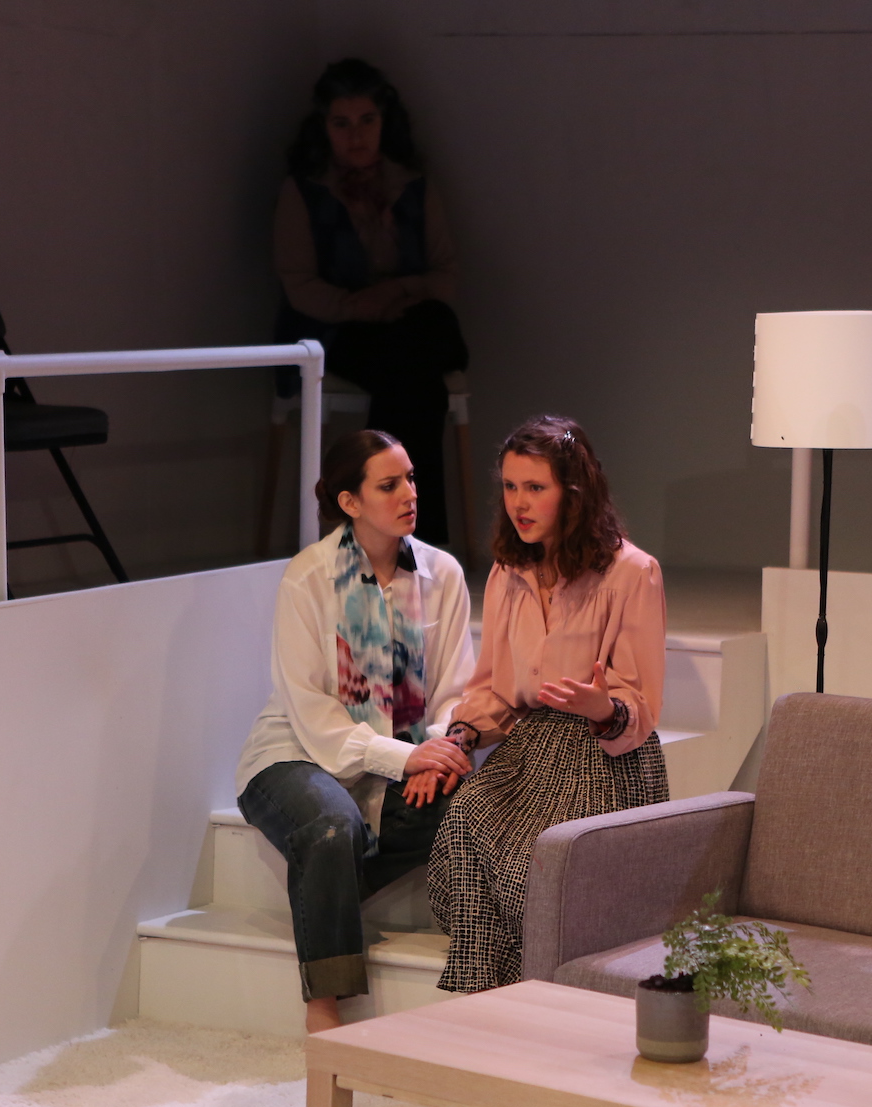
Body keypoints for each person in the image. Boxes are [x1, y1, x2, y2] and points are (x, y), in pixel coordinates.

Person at [235, 429, 475, 1032]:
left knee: (472, 805)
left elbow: (455, 686)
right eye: (389, 484)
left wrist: (438, 750)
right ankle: (326, 1007)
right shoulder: (309, 576)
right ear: (350, 502)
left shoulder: (442, 573)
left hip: (405, 753)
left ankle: (324, 885)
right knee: (329, 823)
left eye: (412, 479)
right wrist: (406, 758)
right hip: (293, 753)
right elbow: (311, 710)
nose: (409, 494)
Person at [430, 415, 669, 993]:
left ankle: (519, 1006)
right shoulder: (509, 572)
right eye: (511, 487)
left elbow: (639, 703)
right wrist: (460, 735)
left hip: (601, 756)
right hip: (530, 747)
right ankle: (484, 1008)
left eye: (535, 488)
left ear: (573, 493)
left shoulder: (631, 573)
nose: (519, 503)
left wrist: (600, 707)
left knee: (526, 874)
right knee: (460, 833)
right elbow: (490, 686)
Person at [275, 58, 468, 546]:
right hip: (340, 329)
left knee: (422, 335)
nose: (355, 136)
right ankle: (421, 541)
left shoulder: (413, 185)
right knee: (417, 377)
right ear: (324, 128)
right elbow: (299, 284)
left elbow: (444, 275)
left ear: (385, 123)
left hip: (408, 319)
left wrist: (394, 295)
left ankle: (379, 530)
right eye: (341, 123)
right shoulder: (304, 191)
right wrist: (362, 306)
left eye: (367, 122)